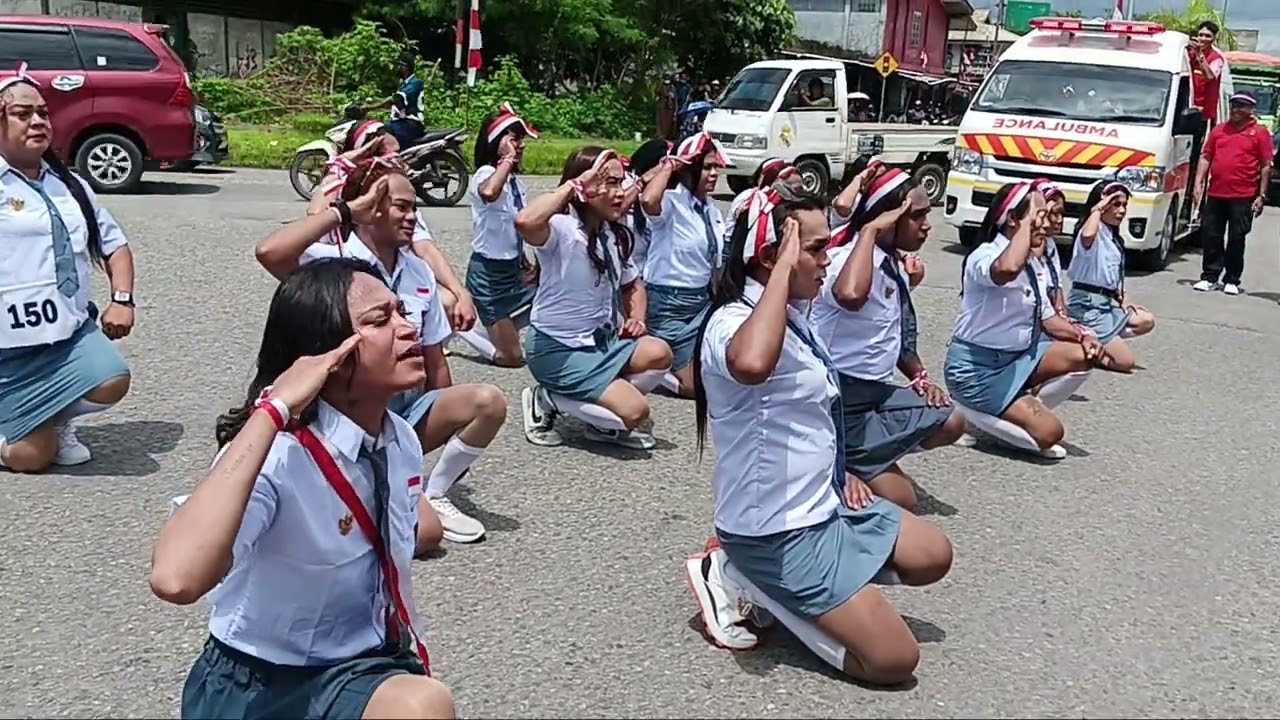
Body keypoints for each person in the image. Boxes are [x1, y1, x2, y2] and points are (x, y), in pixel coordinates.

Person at [151, 259, 455, 720]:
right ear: (324, 356)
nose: (408, 327)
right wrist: (273, 410)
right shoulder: (277, 456)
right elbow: (175, 579)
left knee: (422, 705)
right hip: (256, 684)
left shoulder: (399, 439)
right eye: (380, 320)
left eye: (401, 312)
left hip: (359, 666)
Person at [683, 182, 952, 682]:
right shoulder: (731, 322)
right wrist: (785, 268)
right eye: (815, 248)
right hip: (775, 531)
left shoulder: (793, 315)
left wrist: (839, 472)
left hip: (822, 506)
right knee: (895, 661)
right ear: (769, 256)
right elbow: (752, 364)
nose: (827, 258)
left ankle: (801, 588)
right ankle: (748, 580)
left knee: (933, 555)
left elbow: (818, 408)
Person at [258, 164, 505, 545]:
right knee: (423, 538)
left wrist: (442, 417)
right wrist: (344, 210)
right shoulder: (333, 263)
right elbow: (270, 252)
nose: (413, 219)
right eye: (402, 208)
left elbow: (434, 357)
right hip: (342, 418)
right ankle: (357, 494)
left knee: (488, 402)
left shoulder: (419, 272)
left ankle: (432, 491)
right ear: (370, 210)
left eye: (415, 209)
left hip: (399, 417)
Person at [0, 65, 134, 472]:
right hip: (6, 350)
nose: (39, 121)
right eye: (23, 114)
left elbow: (114, 244)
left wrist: (122, 299)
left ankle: (57, 417)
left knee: (112, 376)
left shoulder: (70, 184)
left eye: (43, 113)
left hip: (63, 338)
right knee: (32, 458)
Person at [810, 169, 965, 513]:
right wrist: (868, 231)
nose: (927, 225)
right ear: (888, 219)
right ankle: (836, 460)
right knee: (903, 502)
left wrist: (921, 378)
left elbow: (894, 335)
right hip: (836, 401)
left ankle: (857, 455)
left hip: (874, 395)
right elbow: (850, 295)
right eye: (916, 216)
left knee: (950, 418)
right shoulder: (843, 259)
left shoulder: (894, 266)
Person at [516, 147, 673, 450]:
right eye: (610, 183)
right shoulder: (561, 229)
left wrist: (636, 319)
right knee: (635, 412)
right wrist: (573, 186)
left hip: (600, 343)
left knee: (659, 352)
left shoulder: (613, 233)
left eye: (621, 182)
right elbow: (524, 221)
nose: (620, 192)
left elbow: (633, 285)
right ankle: (547, 398)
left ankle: (599, 420)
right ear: (586, 188)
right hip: (557, 350)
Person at [944, 182, 1103, 460]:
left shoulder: (1033, 260)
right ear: (1013, 219)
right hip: (976, 369)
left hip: (1016, 359)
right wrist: (1027, 225)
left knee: (1082, 355)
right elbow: (1006, 270)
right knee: (1049, 434)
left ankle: (1014, 408)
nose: (1046, 221)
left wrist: (1083, 335)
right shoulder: (984, 255)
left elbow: (1049, 318)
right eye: (1039, 215)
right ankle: (963, 410)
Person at [308, 120, 479, 336]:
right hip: (346, 290)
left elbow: (425, 248)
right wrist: (341, 169)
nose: (399, 160)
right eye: (390, 155)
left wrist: (461, 292)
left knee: (445, 302)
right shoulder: (342, 193)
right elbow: (315, 218)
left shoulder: (402, 201)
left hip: (397, 279)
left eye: (398, 153)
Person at [639, 132, 729, 397]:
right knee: (693, 389)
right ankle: (645, 368)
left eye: (716, 168)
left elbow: (714, 260)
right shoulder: (672, 202)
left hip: (700, 302)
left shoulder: (711, 209)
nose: (714, 174)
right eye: (707, 167)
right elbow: (647, 201)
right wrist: (670, 165)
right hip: (669, 303)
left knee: (715, 375)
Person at [459, 104, 541, 366]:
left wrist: (525, 260)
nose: (521, 146)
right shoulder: (485, 174)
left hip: (511, 269)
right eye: (514, 139)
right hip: (489, 277)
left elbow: (515, 225)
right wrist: (506, 159)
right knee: (512, 358)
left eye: (522, 140)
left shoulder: (516, 182)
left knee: (551, 290)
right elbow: (489, 192)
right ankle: (467, 331)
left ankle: (497, 329)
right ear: (497, 143)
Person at [1066, 180, 1156, 372]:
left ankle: (1100, 340)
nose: (1122, 210)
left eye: (1124, 205)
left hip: (1105, 303)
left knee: (1145, 320)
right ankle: (1086, 343)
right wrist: (1097, 209)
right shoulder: (1091, 229)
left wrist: (1122, 299)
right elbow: (1087, 236)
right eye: (1115, 205)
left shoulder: (1111, 235)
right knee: (1125, 362)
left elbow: (1110, 274)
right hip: (1087, 306)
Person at [1192, 92, 1273, 296]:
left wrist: (1261, 195)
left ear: (1251, 110)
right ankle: (1210, 276)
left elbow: (1265, 166)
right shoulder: (1219, 131)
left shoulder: (1260, 133)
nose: (1236, 110)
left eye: (1241, 106)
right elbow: (1205, 156)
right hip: (1216, 193)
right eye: (1233, 105)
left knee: (1237, 238)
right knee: (1212, 236)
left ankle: (1232, 279)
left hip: (1243, 195)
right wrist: (1198, 183)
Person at [367, 54, 425, 150]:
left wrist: (369, 107)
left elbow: (395, 100)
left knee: (380, 132)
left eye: (400, 65)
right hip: (401, 123)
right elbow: (396, 105)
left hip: (410, 125)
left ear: (406, 68)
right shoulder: (404, 84)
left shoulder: (415, 83)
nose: (397, 68)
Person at [1188, 22, 1226, 125]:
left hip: (1204, 114)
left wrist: (1199, 54)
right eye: (1201, 35)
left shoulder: (1217, 59)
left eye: (1207, 36)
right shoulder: (1188, 53)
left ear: (1214, 39)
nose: (1203, 39)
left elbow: (1209, 76)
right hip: (1186, 108)